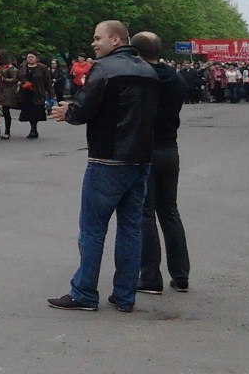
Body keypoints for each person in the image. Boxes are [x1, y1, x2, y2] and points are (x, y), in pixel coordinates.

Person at [47, 20, 158, 313]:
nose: (94, 44)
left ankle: (84, 292)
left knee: (93, 229)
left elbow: (84, 108)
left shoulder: (105, 69)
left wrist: (68, 112)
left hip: (107, 158)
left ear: (116, 40)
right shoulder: (148, 71)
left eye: (98, 38)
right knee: (130, 228)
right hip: (141, 159)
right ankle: (124, 295)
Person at [131, 32, 192, 295]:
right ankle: (181, 275)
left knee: (146, 212)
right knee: (169, 211)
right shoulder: (174, 78)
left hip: (146, 150)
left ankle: (150, 277)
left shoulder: (142, 78)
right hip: (170, 147)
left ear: (135, 52)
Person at [18, 52, 52, 139]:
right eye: (28, 57)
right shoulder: (23, 67)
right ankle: (32, 128)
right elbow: (18, 77)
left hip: (37, 92)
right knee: (28, 111)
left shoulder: (42, 68)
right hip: (25, 92)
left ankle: (33, 129)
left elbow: (47, 80)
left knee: (36, 111)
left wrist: (50, 92)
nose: (30, 59)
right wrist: (22, 83)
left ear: (36, 58)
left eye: (32, 57)